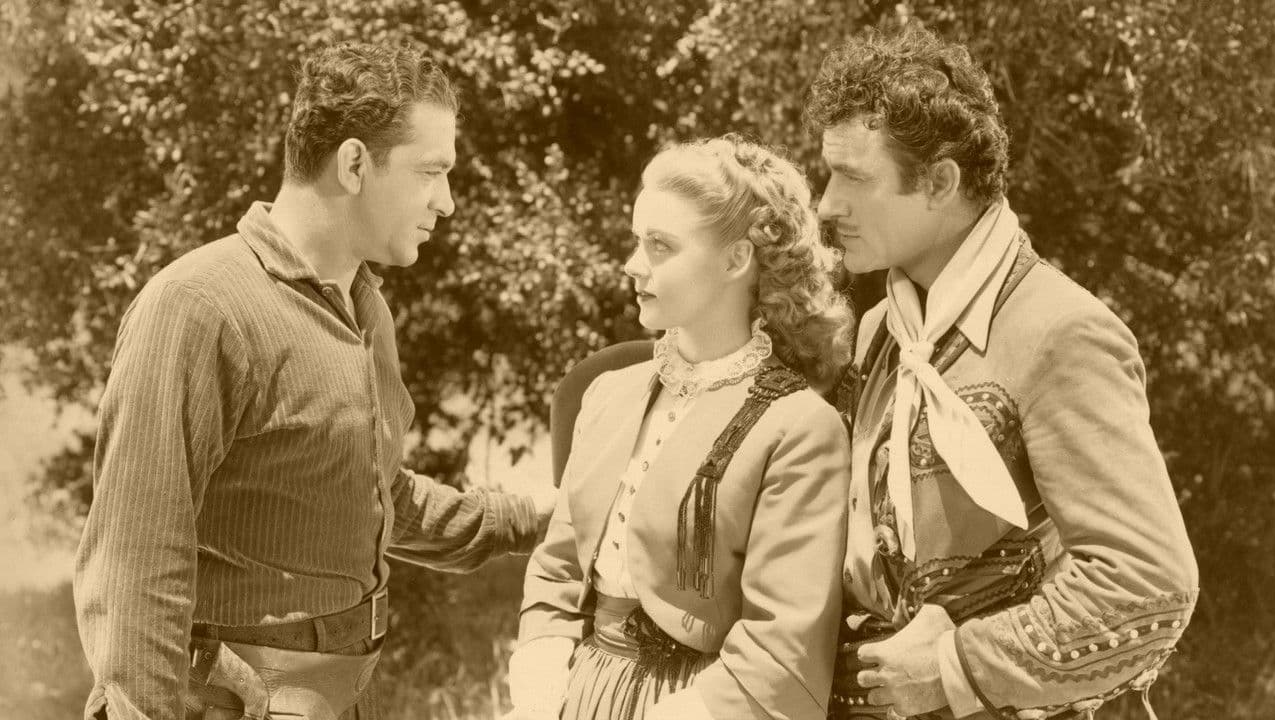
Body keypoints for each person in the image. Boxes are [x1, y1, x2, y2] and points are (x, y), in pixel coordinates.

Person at [73, 43, 555, 720]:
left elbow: (372, 494)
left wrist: (534, 519)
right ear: (354, 164)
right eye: (431, 172)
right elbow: (136, 558)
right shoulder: (199, 307)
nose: (446, 203)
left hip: (342, 698)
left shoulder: (365, 307)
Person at [807, 27, 1199, 720]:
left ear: (940, 182)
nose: (827, 205)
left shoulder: (1060, 331)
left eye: (855, 178)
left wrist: (956, 666)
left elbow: (1148, 586)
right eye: (829, 175)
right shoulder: (881, 332)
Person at [506, 136, 853, 720]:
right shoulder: (608, 394)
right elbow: (558, 567)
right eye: (636, 240)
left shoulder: (797, 427)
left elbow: (783, 645)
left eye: (660, 246)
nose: (633, 264)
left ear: (735, 261)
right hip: (575, 692)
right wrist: (541, 679)